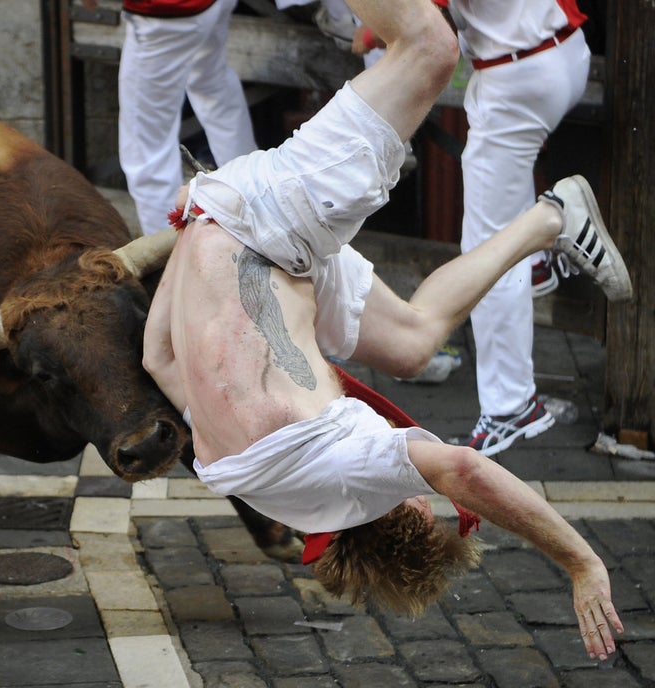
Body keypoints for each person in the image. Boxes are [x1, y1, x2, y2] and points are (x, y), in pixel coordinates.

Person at [142, 0, 628, 661]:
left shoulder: (348, 476)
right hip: (254, 241)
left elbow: (463, 468)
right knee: (411, 342)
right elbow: (160, 357)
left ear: (399, 513)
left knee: (429, 47)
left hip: (279, 215)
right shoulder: (237, 474)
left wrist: (580, 563)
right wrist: (195, 221)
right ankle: (551, 219)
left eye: (423, 505)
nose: (425, 495)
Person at [356, 0, 630, 455]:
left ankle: (511, 408)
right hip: (563, 52)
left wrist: (366, 28)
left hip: (517, 77)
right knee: (504, 224)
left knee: (484, 253)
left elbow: (420, 25)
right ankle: (538, 261)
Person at [81, 0, 258, 236]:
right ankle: (256, 205)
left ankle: (169, 256)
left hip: (168, 11)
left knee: (146, 149)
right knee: (212, 83)